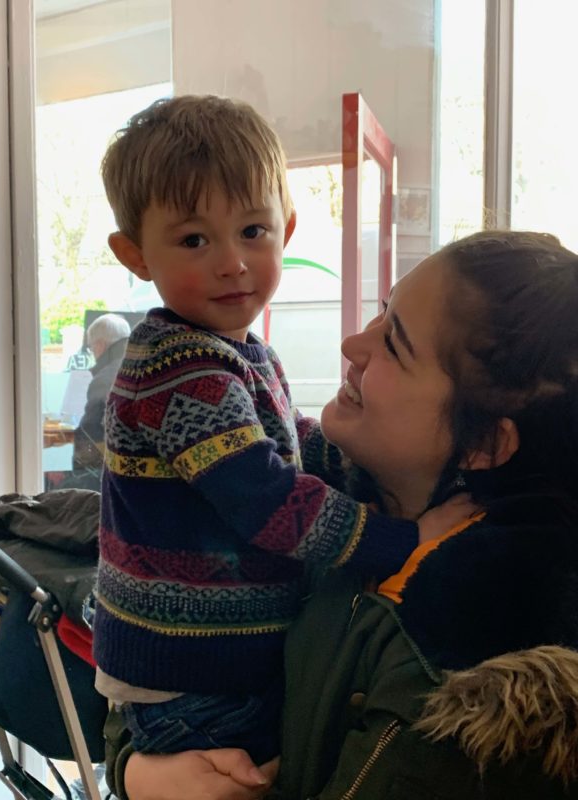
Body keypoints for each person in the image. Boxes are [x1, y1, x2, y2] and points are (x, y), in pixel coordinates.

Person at [106, 230, 578, 800]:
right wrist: (138, 772)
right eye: (382, 313)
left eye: (395, 345)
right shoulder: (320, 500)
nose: (353, 343)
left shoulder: (469, 648)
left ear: (483, 442)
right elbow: (147, 653)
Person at [93, 95, 454, 767]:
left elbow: (282, 438)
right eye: (195, 239)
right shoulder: (180, 369)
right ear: (136, 255)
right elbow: (263, 496)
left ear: (286, 229)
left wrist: (340, 452)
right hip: (192, 673)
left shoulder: (234, 348)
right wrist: (404, 539)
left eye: (252, 230)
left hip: (214, 660)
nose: (232, 261)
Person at [72, 313, 131, 472]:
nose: (92, 352)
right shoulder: (142, 366)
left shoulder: (104, 378)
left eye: (91, 347)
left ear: (99, 345)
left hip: (115, 467)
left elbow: (91, 429)